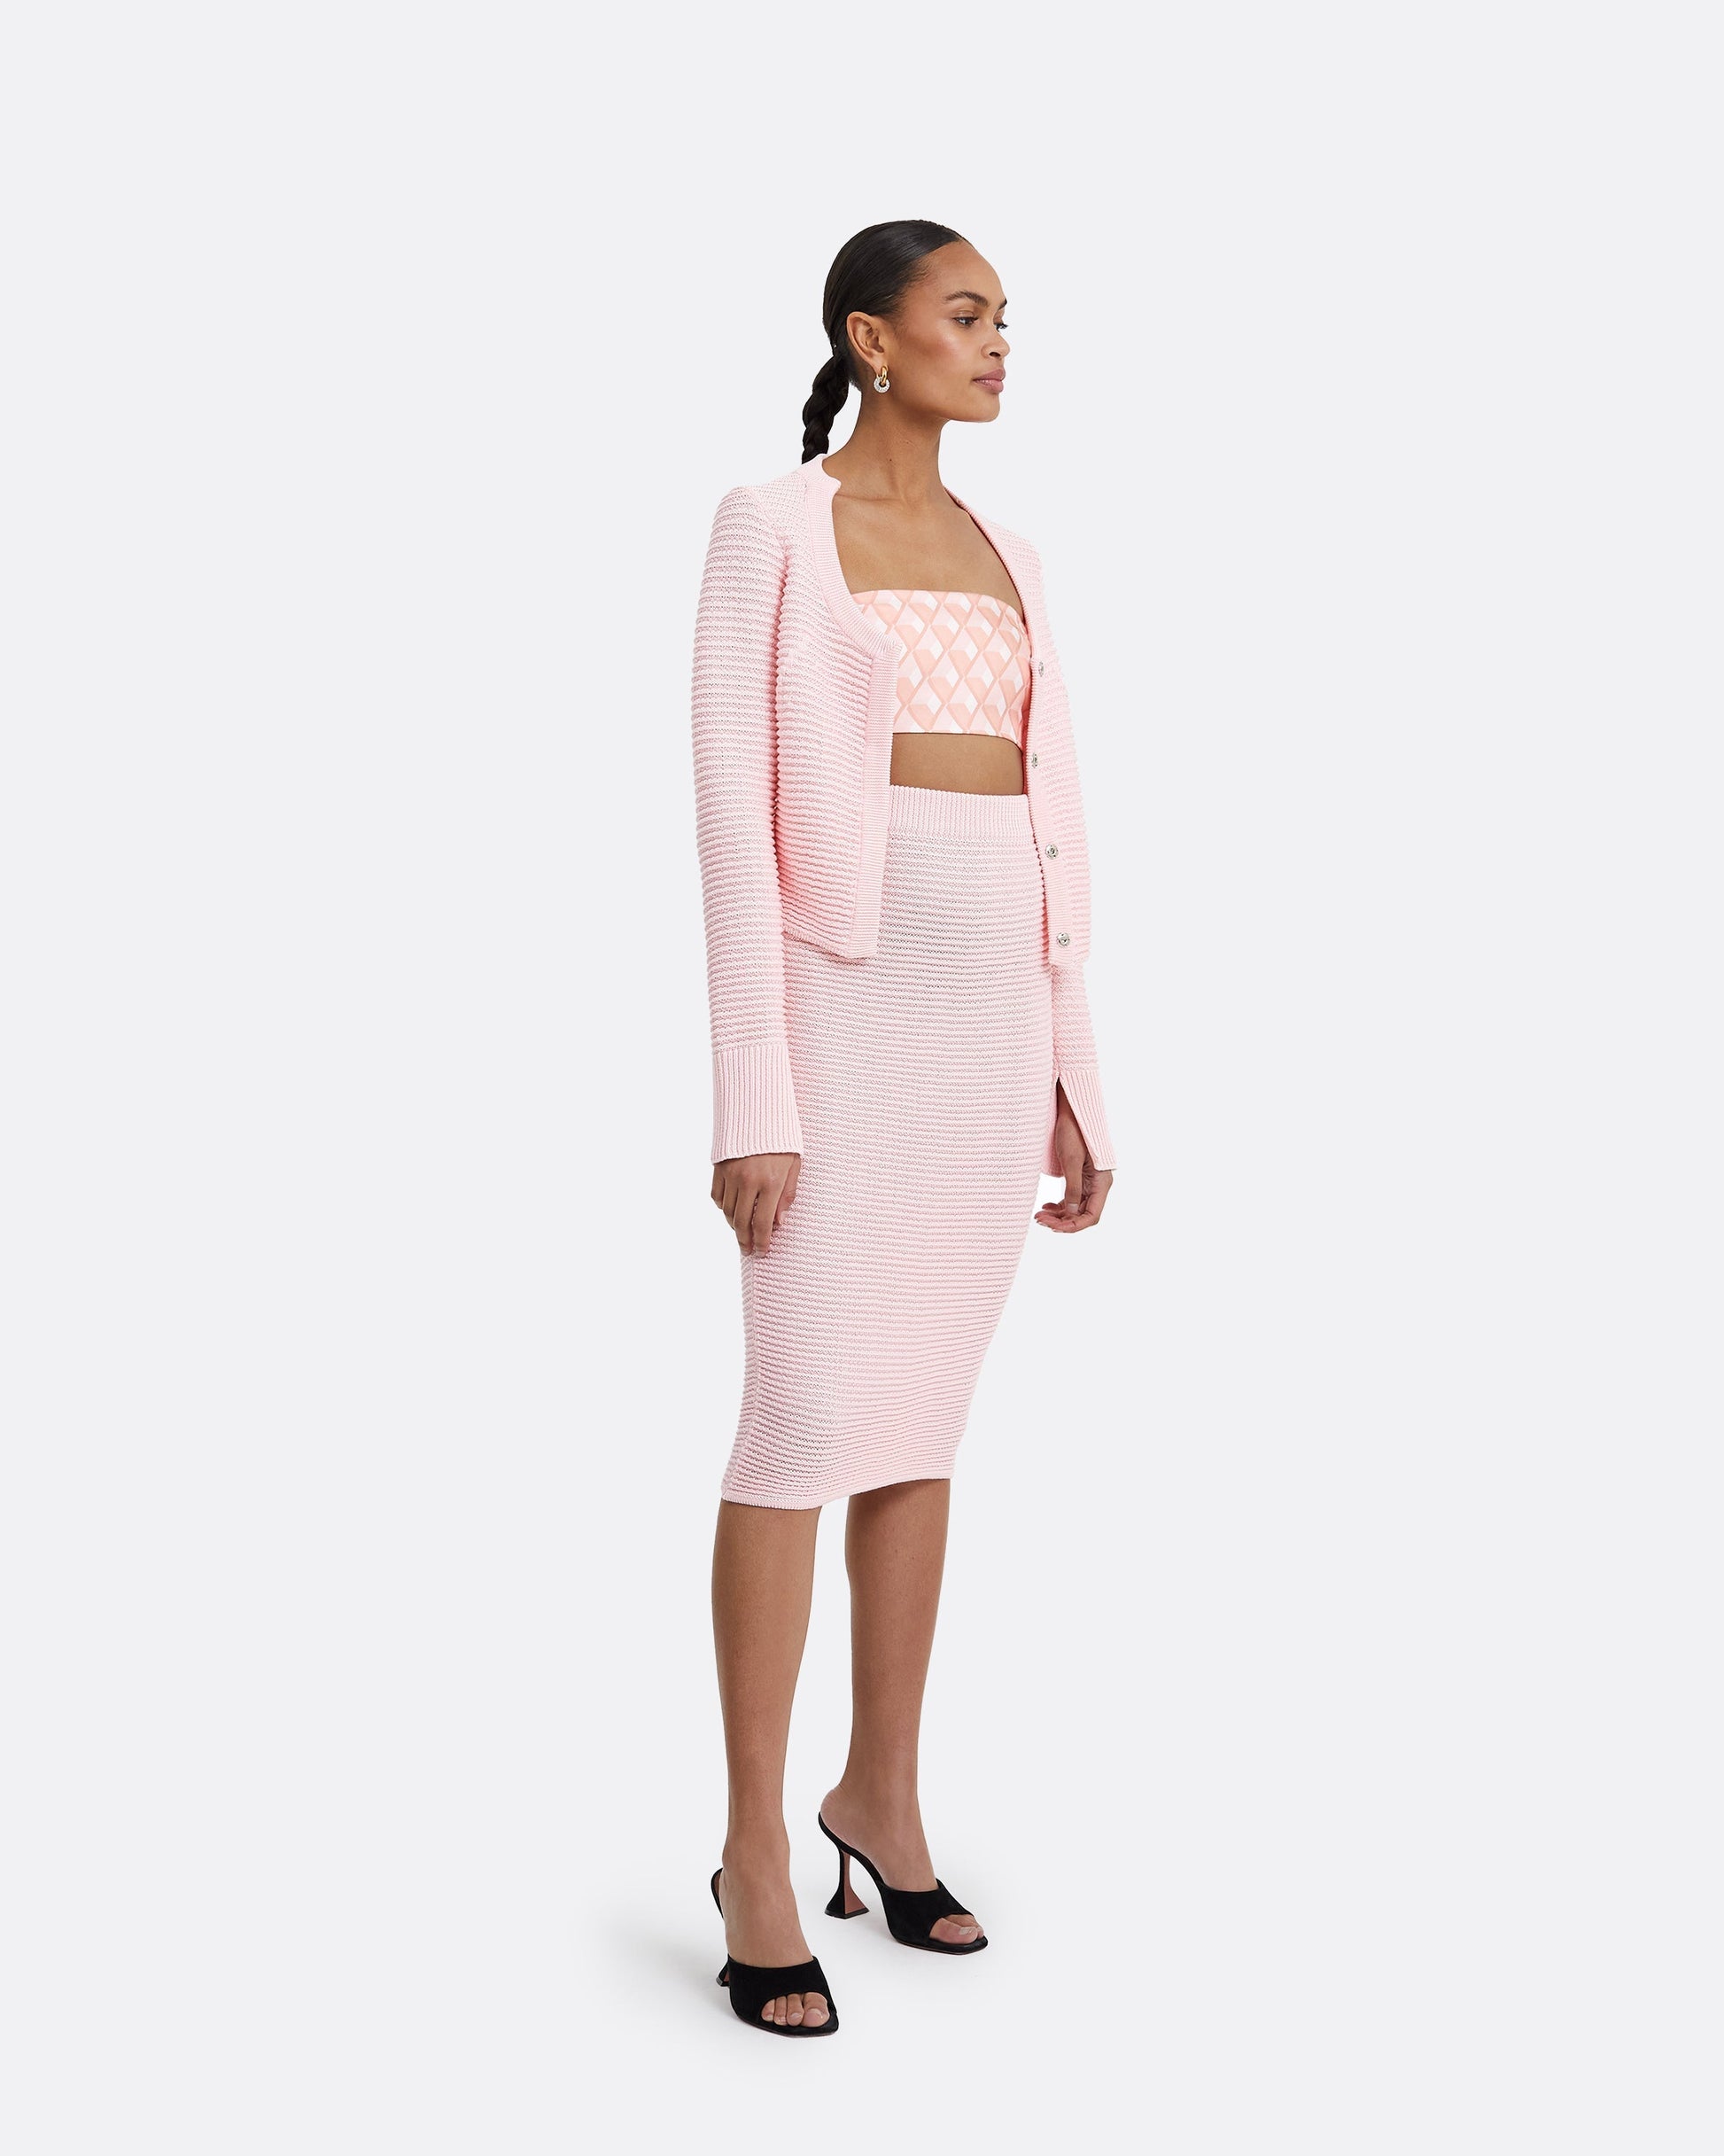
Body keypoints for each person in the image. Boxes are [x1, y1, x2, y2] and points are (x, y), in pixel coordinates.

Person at [690, 220, 1120, 2036]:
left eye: (1005, 318)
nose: (996, 341)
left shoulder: (1013, 548)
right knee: (799, 1419)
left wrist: (1072, 1063)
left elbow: (1056, 822)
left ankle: (880, 1791)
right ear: (872, 340)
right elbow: (729, 817)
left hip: (986, 1020)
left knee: (919, 1421)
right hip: (836, 1008)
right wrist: (753, 1088)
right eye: (965, 314)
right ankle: (752, 1850)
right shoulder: (770, 526)